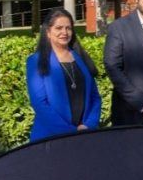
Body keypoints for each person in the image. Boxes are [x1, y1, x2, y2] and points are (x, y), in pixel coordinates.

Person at [26, 8, 102, 141]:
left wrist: (88, 126)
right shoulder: (36, 61)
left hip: (84, 135)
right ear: (48, 32)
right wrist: (70, 132)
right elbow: (40, 104)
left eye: (68, 28)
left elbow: (95, 97)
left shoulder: (81, 58)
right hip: (51, 138)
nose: (64, 32)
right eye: (58, 28)